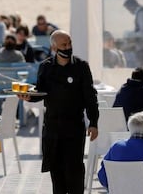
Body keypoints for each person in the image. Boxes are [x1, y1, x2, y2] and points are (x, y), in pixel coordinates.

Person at [18, 30, 99, 194]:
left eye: (70, 43)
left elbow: (90, 96)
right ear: (54, 48)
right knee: (56, 171)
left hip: (74, 127)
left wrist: (94, 122)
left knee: (75, 170)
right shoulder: (46, 67)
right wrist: (28, 97)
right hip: (52, 128)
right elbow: (40, 92)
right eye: (64, 44)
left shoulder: (81, 67)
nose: (68, 47)